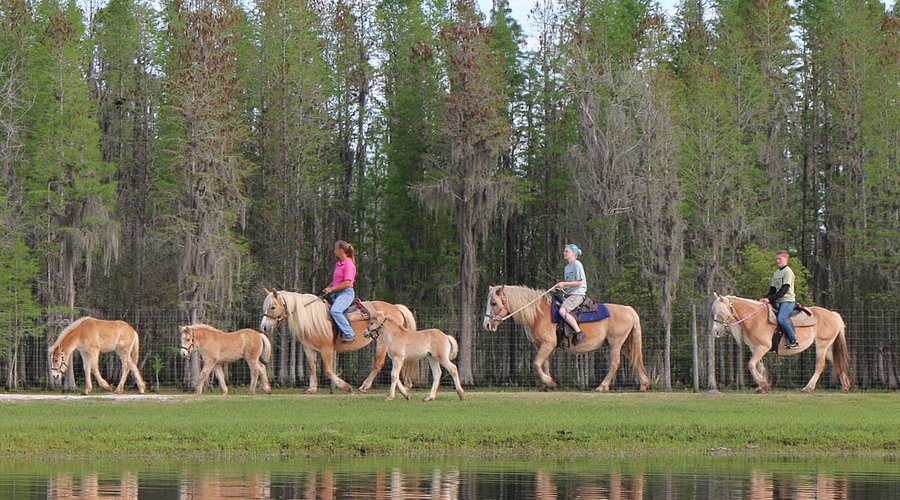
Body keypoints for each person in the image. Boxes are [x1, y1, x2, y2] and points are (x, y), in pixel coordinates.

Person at [760, 250, 799, 350]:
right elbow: (772, 289)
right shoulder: (776, 273)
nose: (777, 261)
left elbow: (784, 290)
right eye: (776, 259)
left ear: (786, 259)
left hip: (788, 301)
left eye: (780, 259)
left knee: (781, 318)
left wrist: (770, 299)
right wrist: (765, 298)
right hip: (778, 300)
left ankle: (793, 340)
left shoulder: (788, 272)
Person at [323, 240, 358, 342]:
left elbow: (347, 283)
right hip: (336, 293)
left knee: (335, 311)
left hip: (346, 293)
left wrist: (331, 289)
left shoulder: (349, 265)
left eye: (335, 249)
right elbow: (337, 281)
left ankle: (349, 333)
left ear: (341, 250)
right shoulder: (339, 264)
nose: (334, 251)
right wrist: (329, 287)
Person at [554, 243, 587, 346]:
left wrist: (564, 283)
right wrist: (560, 287)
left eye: (566, 251)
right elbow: (570, 284)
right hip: (569, 295)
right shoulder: (567, 267)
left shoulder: (577, 264)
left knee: (562, 311)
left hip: (577, 294)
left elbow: (579, 282)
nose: (564, 253)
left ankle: (579, 332)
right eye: (564, 251)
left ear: (573, 254)